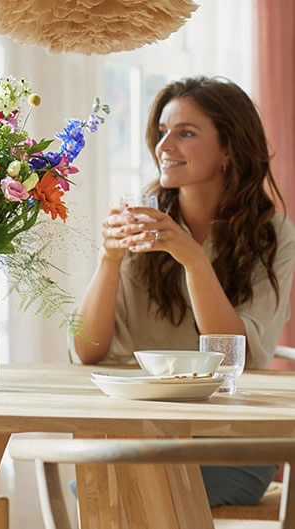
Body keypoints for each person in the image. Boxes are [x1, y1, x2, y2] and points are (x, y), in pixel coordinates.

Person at [73, 75, 295, 506]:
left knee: (121, 499)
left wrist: (193, 259)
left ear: (229, 149)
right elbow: (88, 350)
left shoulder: (273, 236)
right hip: (145, 435)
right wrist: (110, 259)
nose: (164, 147)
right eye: (162, 133)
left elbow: (238, 358)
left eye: (185, 133)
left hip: (233, 443)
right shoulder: (142, 222)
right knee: (100, 491)